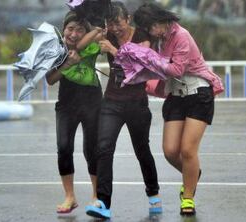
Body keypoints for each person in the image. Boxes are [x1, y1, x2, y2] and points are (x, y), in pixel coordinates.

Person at [133, 3, 224, 216]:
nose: (149, 32)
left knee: (188, 150)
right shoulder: (158, 39)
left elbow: (176, 69)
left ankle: (188, 197)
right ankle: (192, 174)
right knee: (170, 151)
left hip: (198, 93)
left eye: (150, 27)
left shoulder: (181, 35)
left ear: (160, 21)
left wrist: (149, 59)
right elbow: (161, 76)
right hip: (176, 96)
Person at [85, 1, 162, 219]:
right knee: (103, 148)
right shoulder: (107, 34)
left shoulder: (143, 36)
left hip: (136, 102)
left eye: (118, 22)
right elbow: (86, 42)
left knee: (142, 150)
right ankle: (102, 202)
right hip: (112, 101)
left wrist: (112, 49)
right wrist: (95, 32)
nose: (115, 28)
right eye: (110, 23)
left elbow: (138, 65)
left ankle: (153, 192)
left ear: (127, 19)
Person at [46, 11, 104, 214]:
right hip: (66, 104)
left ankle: (97, 196)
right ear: (63, 30)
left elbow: (98, 37)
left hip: (92, 102)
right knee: (63, 147)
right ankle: (70, 196)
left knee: (92, 149)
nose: (74, 33)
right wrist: (68, 63)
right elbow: (50, 79)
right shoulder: (55, 51)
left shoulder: (91, 45)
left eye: (80, 30)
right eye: (70, 28)